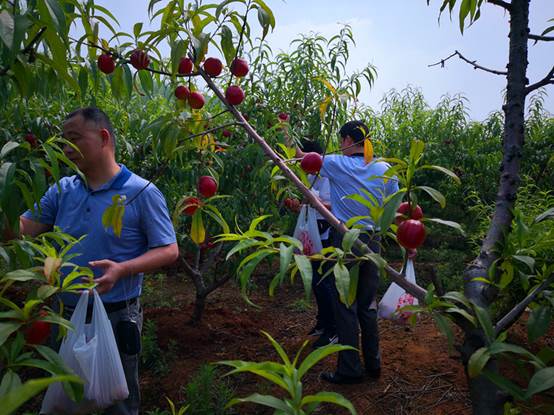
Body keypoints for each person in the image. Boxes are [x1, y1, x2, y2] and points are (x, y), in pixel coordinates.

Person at [19, 107, 179, 414]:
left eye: (74, 138)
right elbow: (23, 229)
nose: (66, 148)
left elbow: (169, 249)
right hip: (64, 315)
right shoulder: (63, 190)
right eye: (63, 140)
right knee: (63, 397)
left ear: (103, 137)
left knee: (117, 402)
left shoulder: (141, 192)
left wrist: (123, 269)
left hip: (116, 316)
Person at [294, 120, 399, 385]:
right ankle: (374, 364)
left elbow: (303, 158)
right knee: (368, 304)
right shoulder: (385, 169)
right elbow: (395, 208)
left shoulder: (337, 164)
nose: (340, 146)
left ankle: (350, 368)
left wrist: (285, 133)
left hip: (347, 239)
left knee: (345, 305)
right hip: (374, 241)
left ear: (349, 140)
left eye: (341, 141)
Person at [298, 140, 337, 349]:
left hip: (326, 235)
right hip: (313, 233)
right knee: (316, 281)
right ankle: (323, 321)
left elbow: (334, 205)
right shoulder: (312, 175)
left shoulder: (328, 177)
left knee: (324, 282)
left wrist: (316, 203)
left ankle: (333, 329)